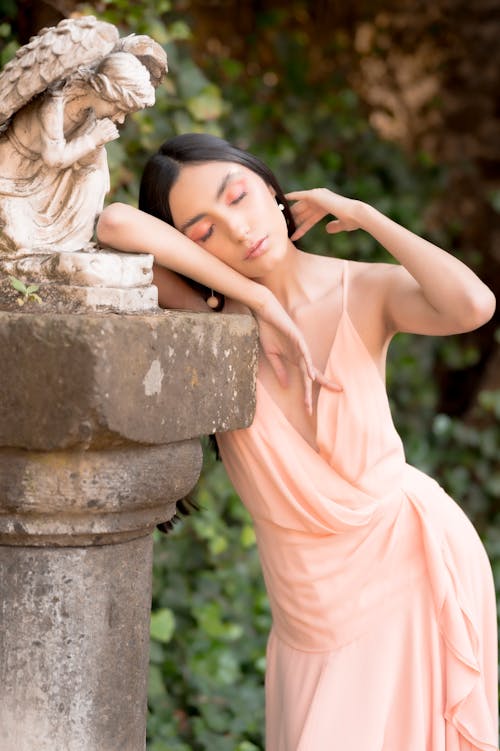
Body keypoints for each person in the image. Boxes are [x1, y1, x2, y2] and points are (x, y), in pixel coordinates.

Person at [96, 133, 498, 751]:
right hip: (310, 616)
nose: (237, 228)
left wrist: (361, 213)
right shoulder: (211, 317)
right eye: (203, 231)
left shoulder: (358, 289)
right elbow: (115, 223)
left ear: (272, 189)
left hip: (409, 569)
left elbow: (472, 305)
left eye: (240, 196)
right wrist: (256, 299)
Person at [0, 52, 155, 253]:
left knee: (94, 177)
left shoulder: (89, 111)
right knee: (19, 240)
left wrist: (96, 148)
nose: (120, 118)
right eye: (119, 108)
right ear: (102, 91)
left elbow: (86, 162)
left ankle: (72, 245)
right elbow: (54, 157)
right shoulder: (54, 104)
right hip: (11, 174)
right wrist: (92, 140)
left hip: (47, 177)